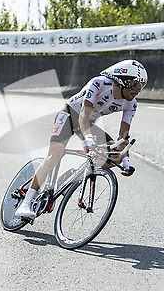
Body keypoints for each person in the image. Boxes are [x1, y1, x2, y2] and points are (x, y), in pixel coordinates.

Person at [15, 59, 148, 219]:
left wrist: (125, 161)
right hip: (69, 115)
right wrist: (87, 140)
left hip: (88, 123)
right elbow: (83, 116)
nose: (138, 90)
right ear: (121, 80)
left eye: (142, 86)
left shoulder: (131, 104)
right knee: (54, 155)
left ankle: (73, 176)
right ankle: (25, 204)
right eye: (135, 85)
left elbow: (123, 137)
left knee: (116, 155)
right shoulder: (99, 84)